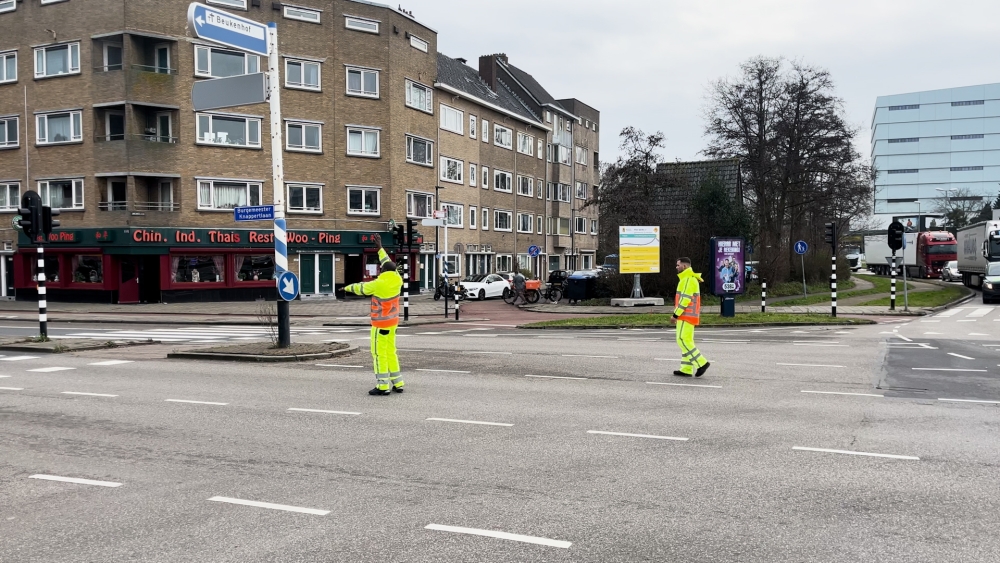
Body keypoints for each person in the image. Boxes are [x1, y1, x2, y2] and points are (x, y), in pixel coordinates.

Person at [343, 234, 405, 396]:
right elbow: (387, 261)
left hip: (380, 325)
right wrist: (380, 246)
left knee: (378, 354)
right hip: (393, 323)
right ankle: (398, 382)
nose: (380, 267)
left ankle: (383, 386)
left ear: (383, 270)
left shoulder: (379, 284)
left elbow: (361, 288)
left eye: (381, 267)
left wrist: (346, 288)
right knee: (391, 351)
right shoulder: (397, 279)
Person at [672, 257, 710, 377]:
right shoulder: (688, 279)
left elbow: (685, 299)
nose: (676, 267)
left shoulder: (688, 279)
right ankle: (686, 368)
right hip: (688, 315)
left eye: (678, 265)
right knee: (686, 340)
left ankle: (702, 363)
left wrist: (675, 315)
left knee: (682, 340)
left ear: (684, 266)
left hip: (685, 315)